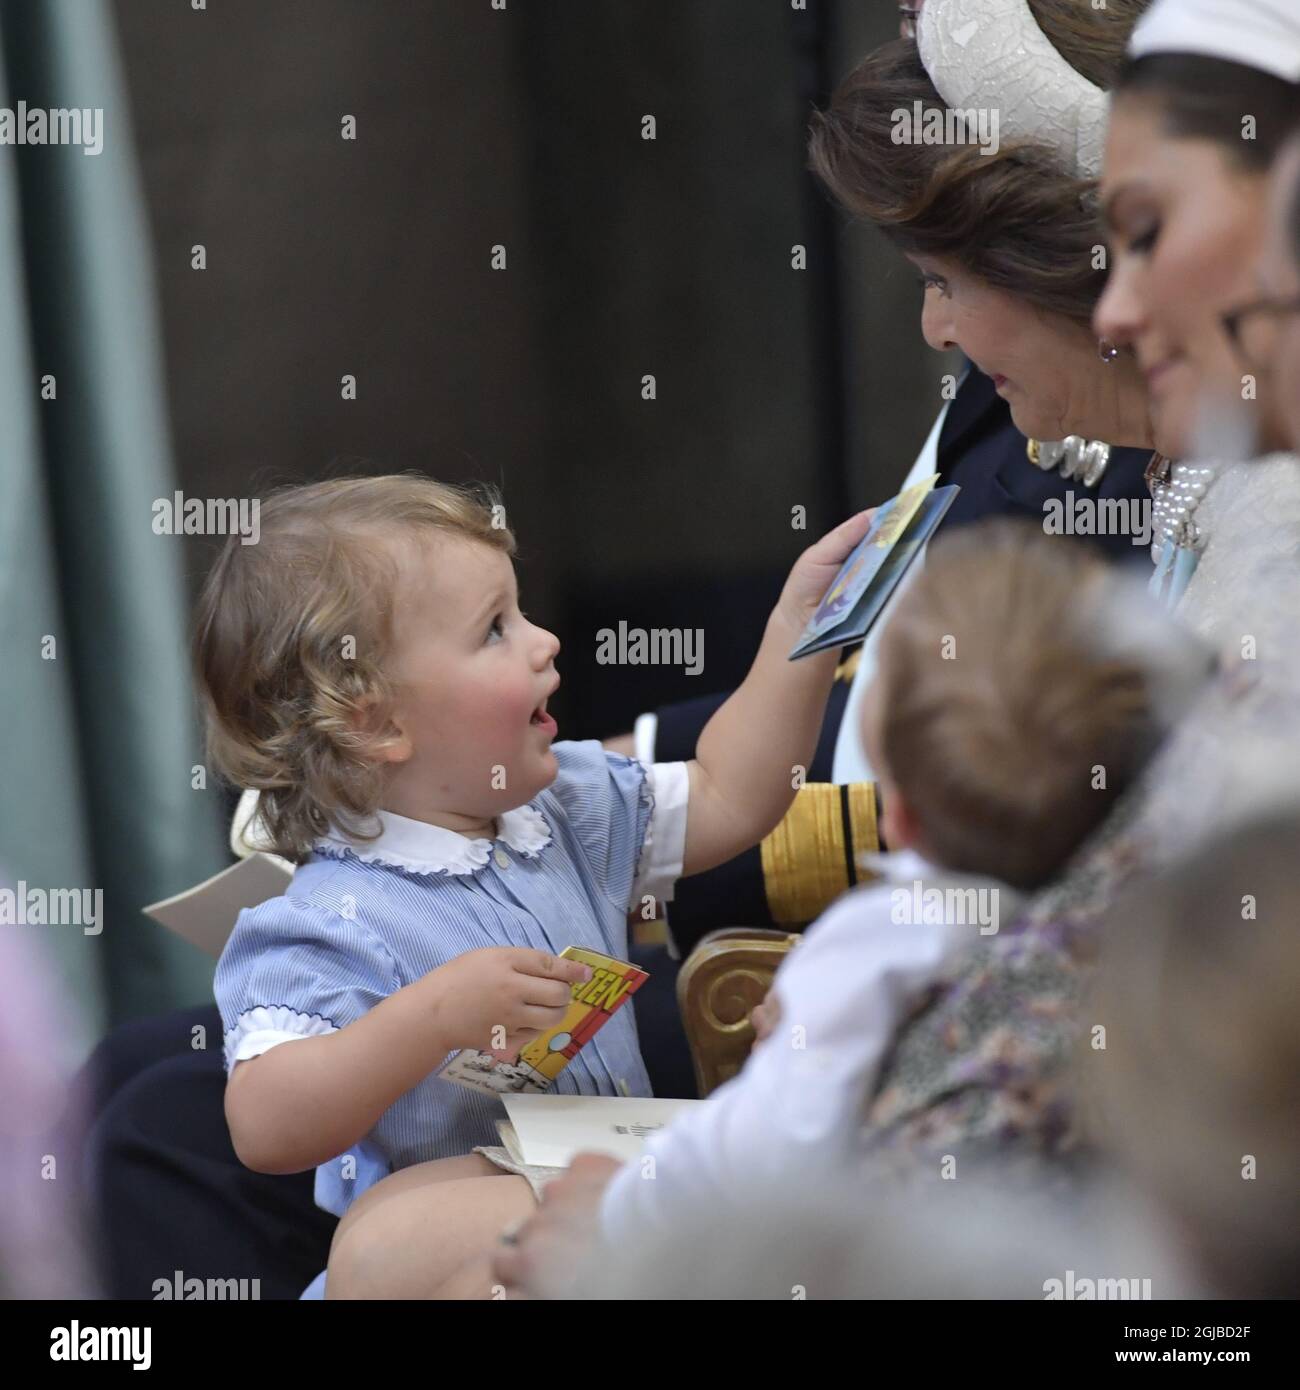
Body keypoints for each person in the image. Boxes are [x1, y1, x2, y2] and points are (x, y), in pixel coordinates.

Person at [195, 474, 875, 1298]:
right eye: (494, 629)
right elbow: (265, 1125)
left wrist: (800, 632)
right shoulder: (328, 920)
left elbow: (734, 790)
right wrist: (431, 1016)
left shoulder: (562, 808)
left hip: (597, 1231)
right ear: (376, 721)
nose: (543, 639)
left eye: (518, 612)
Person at [637, 0, 1160, 956]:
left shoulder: (1119, 439)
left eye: (943, 280)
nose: (934, 328)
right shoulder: (1013, 386)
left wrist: (606, 834)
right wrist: (601, 777)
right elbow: (869, 657)